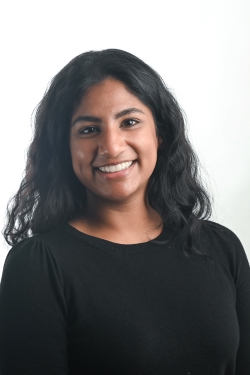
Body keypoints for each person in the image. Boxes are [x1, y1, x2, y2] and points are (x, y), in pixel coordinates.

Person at [0, 49, 249, 375]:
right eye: (89, 129)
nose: (112, 146)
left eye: (129, 122)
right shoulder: (39, 265)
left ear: (159, 133)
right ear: (64, 147)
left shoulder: (220, 247)